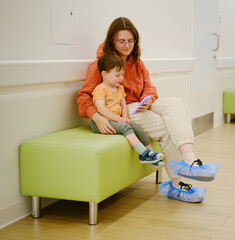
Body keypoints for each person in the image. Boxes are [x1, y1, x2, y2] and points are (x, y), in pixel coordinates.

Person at [77, 17, 219, 203]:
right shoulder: (101, 64)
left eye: (131, 40)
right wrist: (97, 117)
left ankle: (190, 159)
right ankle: (178, 185)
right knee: (166, 129)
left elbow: (150, 88)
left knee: (175, 102)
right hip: (124, 110)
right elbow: (83, 97)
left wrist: (148, 100)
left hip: (141, 105)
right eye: (122, 41)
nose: (127, 45)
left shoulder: (137, 62)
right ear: (112, 40)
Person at [92, 52, 164, 166]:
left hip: (116, 120)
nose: (121, 78)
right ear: (104, 74)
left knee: (137, 128)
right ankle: (144, 154)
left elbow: (124, 105)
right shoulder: (100, 89)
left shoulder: (119, 88)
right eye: (117, 75)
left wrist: (124, 117)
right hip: (103, 122)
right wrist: (118, 119)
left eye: (122, 75)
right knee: (126, 127)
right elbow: (101, 109)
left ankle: (151, 154)